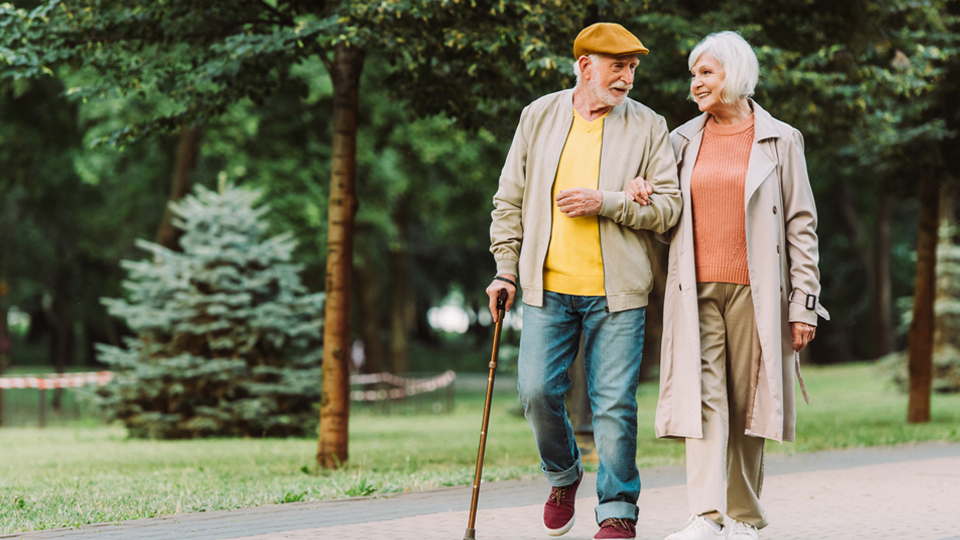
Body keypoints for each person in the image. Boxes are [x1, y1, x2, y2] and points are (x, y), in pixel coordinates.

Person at [626, 31, 830, 540]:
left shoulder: (782, 139)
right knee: (703, 398)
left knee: (747, 402)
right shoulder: (679, 140)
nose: (695, 83)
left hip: (757, 292)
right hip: (693, 288)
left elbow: (801, 225)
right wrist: (640, 189)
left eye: (706, 73)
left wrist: (803, 305)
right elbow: (662, 207)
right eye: (694, 74)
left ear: (734, 74)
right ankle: (705, 514)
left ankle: (744, 518)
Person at [486, 22, 682, 540]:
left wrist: (609, 203)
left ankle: (618, 509)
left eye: (633, 68)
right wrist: (505, 267)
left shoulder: (648, 126)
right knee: (535, 392)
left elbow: (668, 210)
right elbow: (508, 200)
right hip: (546, 290)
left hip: (618, 294)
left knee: (614, 404)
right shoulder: (539, 116)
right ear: (585, 65)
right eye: (618, 67)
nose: (627, 78)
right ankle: (564, 473)